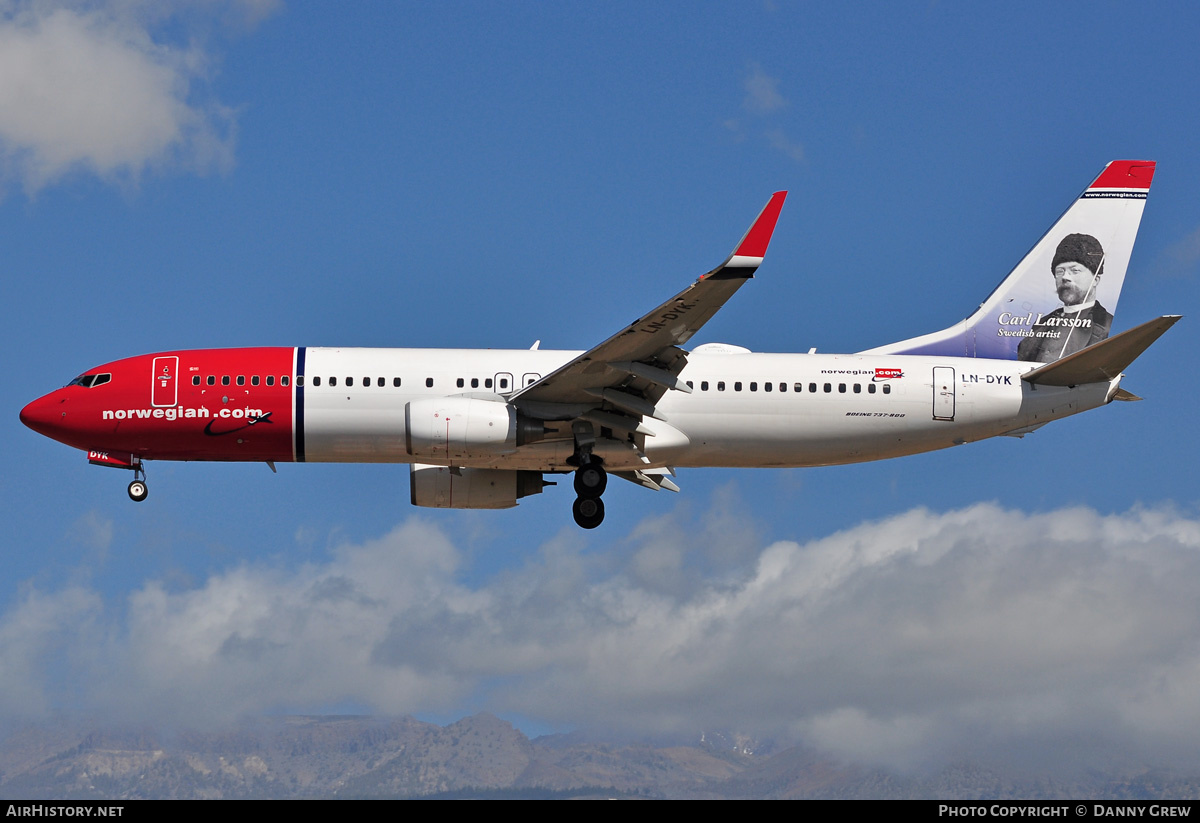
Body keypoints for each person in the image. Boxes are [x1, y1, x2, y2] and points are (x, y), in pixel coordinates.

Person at [1017, 233, 1113, 362]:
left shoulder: (1107, 325)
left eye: (1075, 271)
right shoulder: (1041, 324)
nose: (1065, 277)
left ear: (1095, 279)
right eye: (1060, 271)